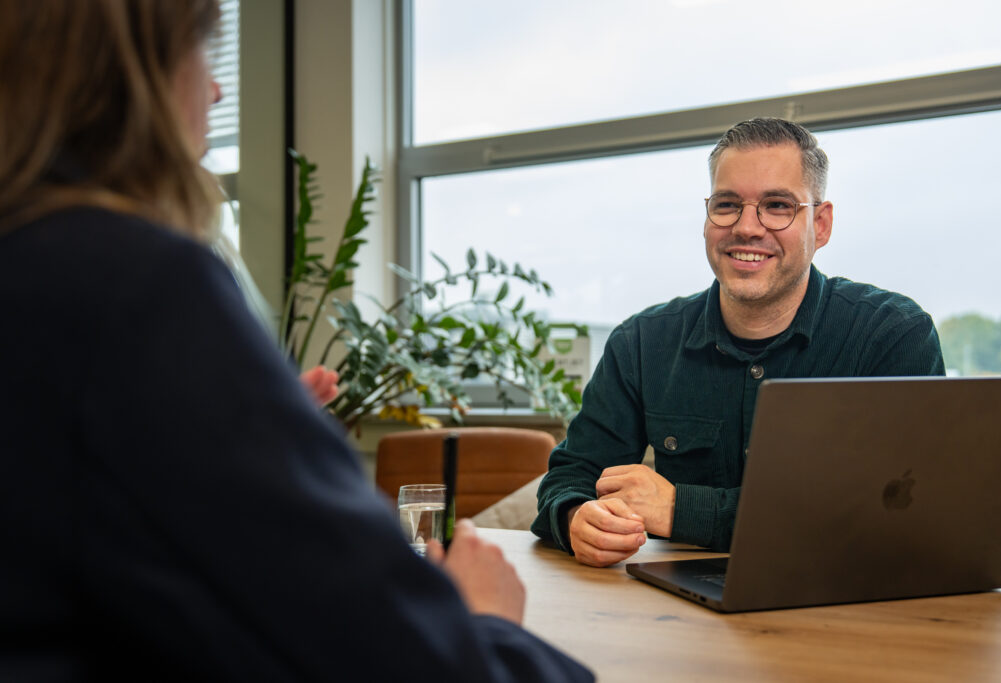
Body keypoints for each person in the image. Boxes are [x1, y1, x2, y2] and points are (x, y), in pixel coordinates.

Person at [0, 2, 591, 681]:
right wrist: (488, 621)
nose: (216, 90)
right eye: (202, 51)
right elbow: (398, 653)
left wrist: (244, 432)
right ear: (134, 73)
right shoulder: (137, 286)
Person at [531, 117, 945, 568]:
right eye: (727, 204)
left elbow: (900, 512)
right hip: (676, 604)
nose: (747, 227)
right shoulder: (641, 343)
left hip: (845, 596)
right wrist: (576, 517)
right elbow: (572, 475)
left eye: (777, 205)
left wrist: (681, 510)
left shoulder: (893, 335)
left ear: (821, 224)